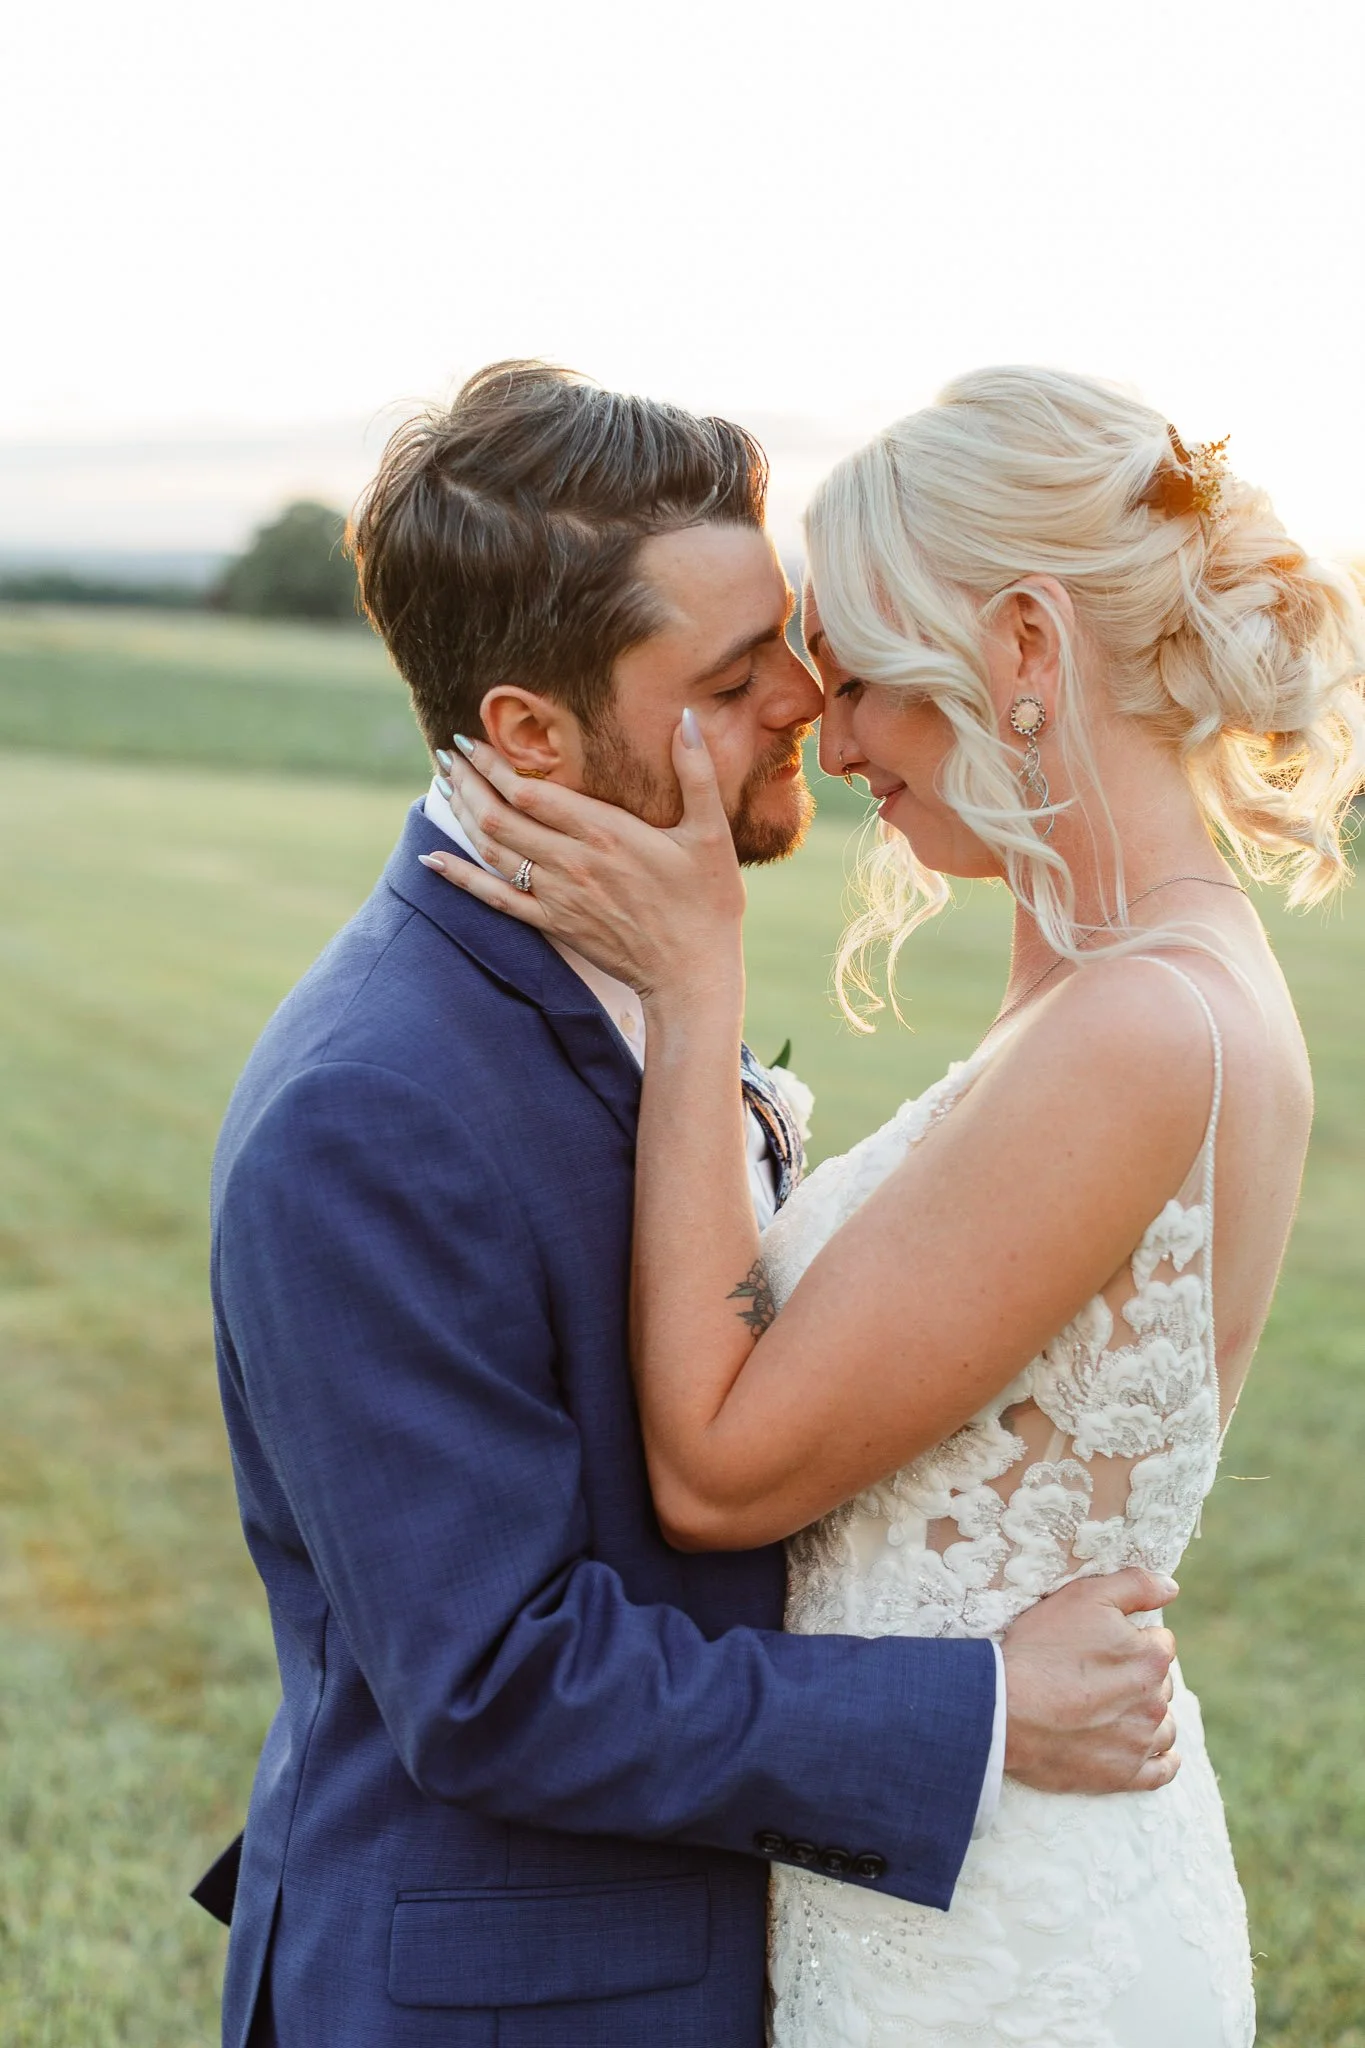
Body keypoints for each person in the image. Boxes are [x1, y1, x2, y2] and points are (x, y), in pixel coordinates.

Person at [198, 363, 1181, 2048]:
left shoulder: (647, 959)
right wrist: (986, 1709)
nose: (811, 695)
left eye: (784, 637)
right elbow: (499, 1686)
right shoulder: (371, 1108)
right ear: (530, 733)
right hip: (511, 2002)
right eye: (733, 678)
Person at [423, 365, 1365, 2045]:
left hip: (1006, 1943)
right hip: (934, 1868)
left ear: (1018, 650)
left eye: (861, 677)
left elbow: (719, 1471)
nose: (830, 732)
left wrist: (696, 982)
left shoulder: (1141, 1027)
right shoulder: (1098, 969)